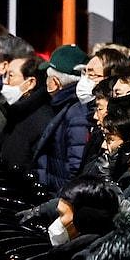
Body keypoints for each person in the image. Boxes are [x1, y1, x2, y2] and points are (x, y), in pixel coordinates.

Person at [31, 44, 91, 194]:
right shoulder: (64, 106)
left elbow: (76, 167)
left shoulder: (76, 114)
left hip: (59, 196)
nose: (46, 81)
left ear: (56, 82)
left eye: (48, 77)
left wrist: (62, 200)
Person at [0, 54, 53, 169]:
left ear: (30, 83)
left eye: (11, 76)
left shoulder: (41, 116)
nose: (5, 82)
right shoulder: (14, 111)